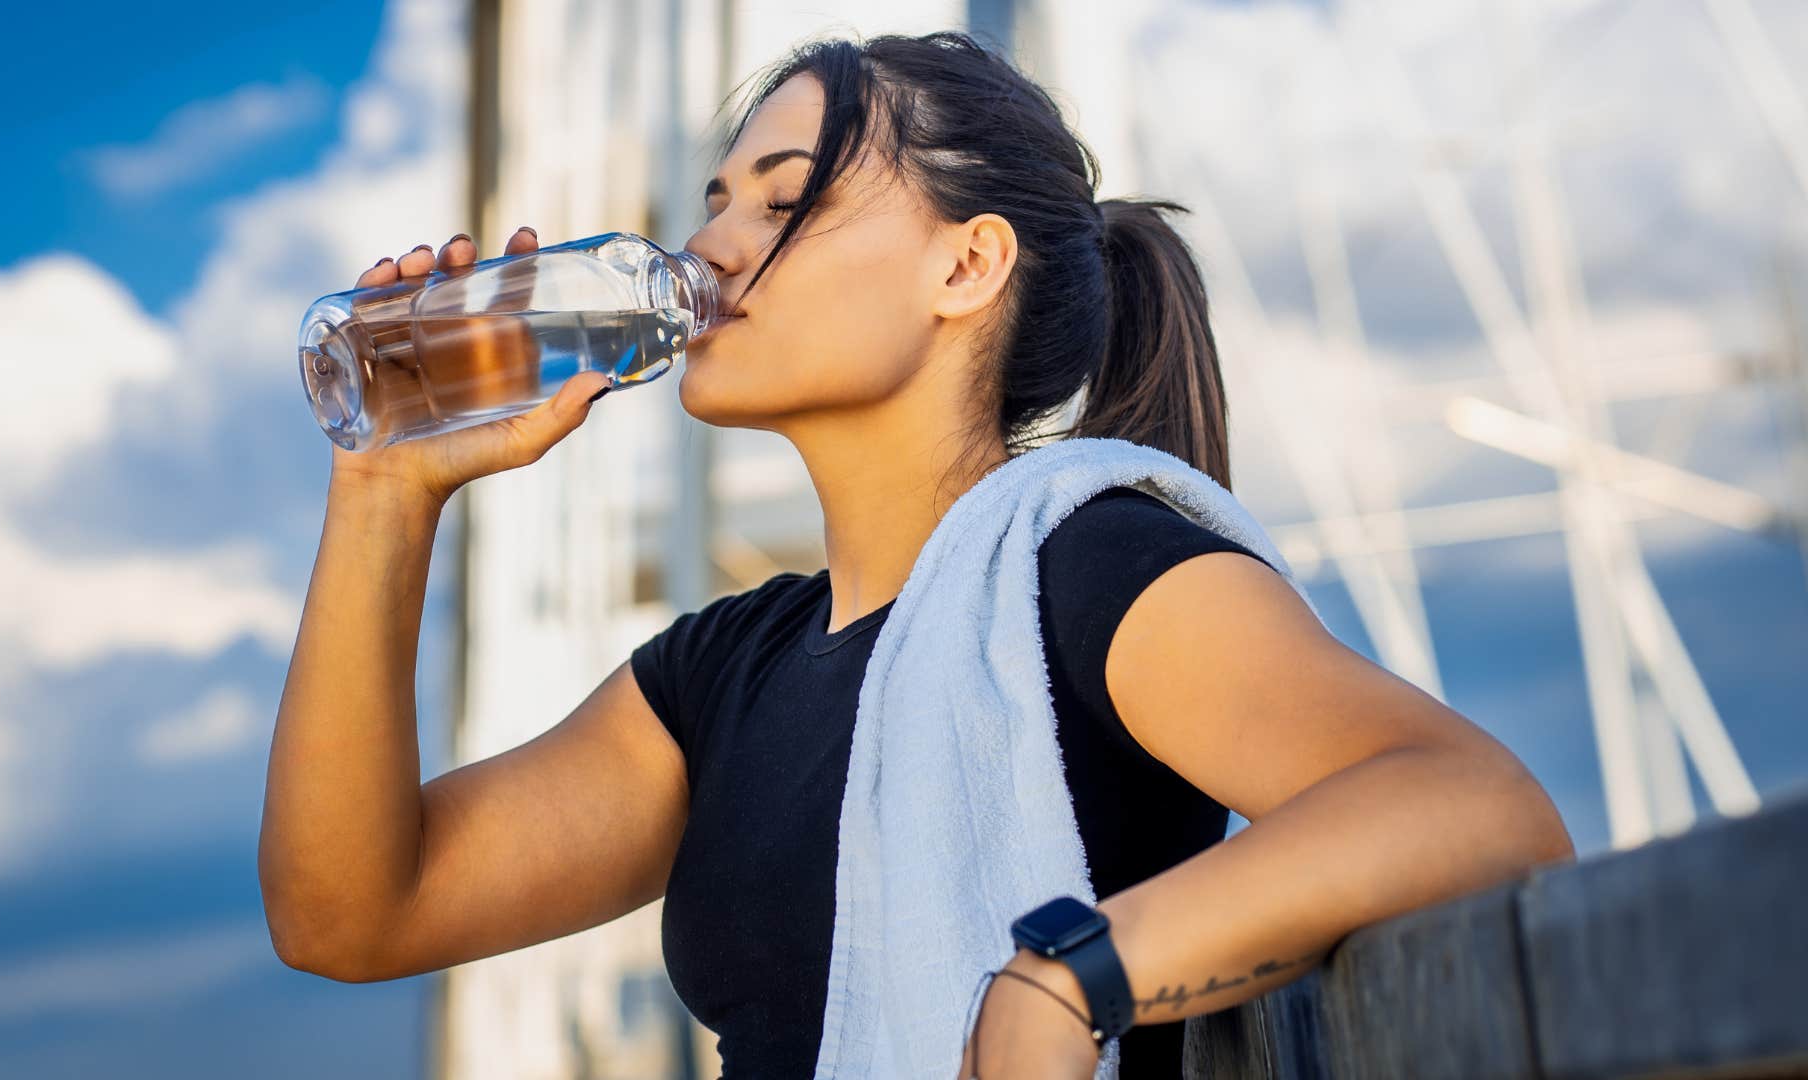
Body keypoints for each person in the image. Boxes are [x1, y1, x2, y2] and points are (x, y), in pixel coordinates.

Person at [261, 30, 1575, 1079]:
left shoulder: (1083, 564)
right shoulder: (729, 670)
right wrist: (384, 495)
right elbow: (354, 912)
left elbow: (1475, 808)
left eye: (784, 202)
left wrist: (1067, 979)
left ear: (966, 266)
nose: (709, 245)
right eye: (713, 200)